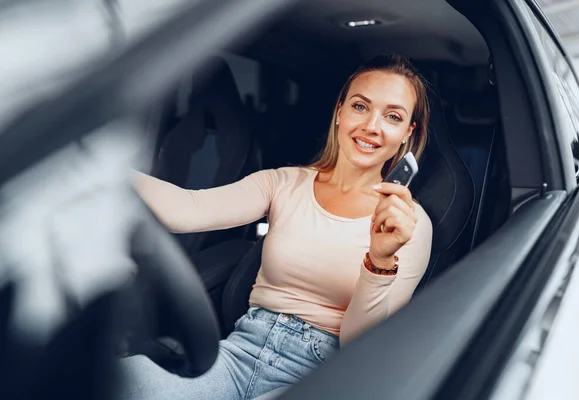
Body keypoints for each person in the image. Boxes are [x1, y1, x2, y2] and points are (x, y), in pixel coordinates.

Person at [119, 53, 433, 400]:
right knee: (106, 380)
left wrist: (380, 261)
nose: (372, 126)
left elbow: (362, 347)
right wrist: (105, 173)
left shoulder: (407, 225)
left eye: (392, 116)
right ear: (340, 111)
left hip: (323, 377)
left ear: (407, 132)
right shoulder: (285, 183)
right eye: (361, 107)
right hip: (238, 356)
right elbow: (186, 210)